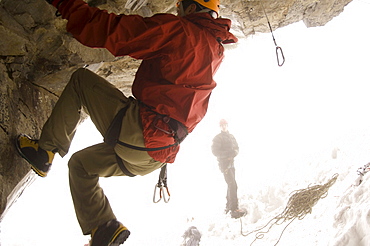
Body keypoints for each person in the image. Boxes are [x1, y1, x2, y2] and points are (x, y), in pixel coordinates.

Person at [15, 0, 237, 245]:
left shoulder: (181, 31)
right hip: (154, 156)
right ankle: (103, 227)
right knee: (80, 166)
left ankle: (44, 152)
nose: (177, 10)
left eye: (180, 6)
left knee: (80, 80)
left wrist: (68, 5)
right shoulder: (216, 51)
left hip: (142, 132)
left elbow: (117, 32)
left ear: (192, 8)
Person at [211, 119, 246, 219]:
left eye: (225, 125)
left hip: (231, 164)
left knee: (230, 184)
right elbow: (215, 152)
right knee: (233, 184)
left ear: (227, 125)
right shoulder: (218, 138)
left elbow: (237, 148)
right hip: (224, 164)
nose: (223, 127)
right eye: (221, 125)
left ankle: (228, 206)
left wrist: (234, 153)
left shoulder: (231, 137)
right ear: (220, 127)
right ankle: (234, 210)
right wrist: (227, 155)